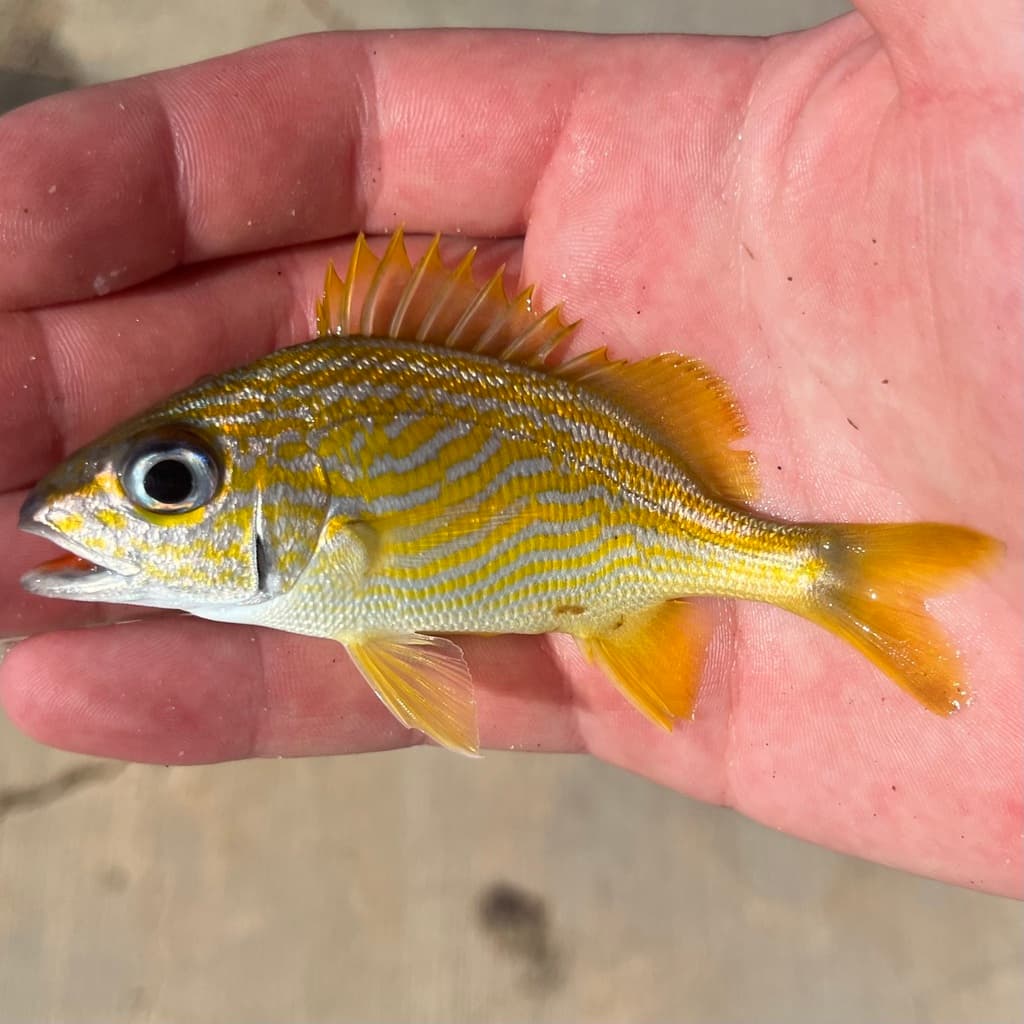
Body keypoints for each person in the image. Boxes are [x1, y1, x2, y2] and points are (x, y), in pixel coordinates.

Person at [0, 1, 1019, 898]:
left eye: (168, 481)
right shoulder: (330, 566)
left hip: (633, 522)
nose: (93, 516)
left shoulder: (334, 564)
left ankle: (823, 568)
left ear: (299, 496)